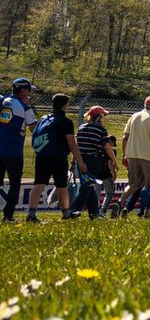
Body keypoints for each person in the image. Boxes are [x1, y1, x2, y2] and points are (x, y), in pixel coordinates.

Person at [26, 93, 87, 222]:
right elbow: (72, 144)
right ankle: (66, 213)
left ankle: (31, 214)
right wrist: (80, 161)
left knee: (38, 184)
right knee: (61, 186)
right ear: (65, 106)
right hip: (58, 157)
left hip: (42, 156)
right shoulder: (66, 122)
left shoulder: (44, 118)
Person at [119, 95, 150, 218]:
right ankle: (147, 212)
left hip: (132, 155)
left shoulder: (134, 116)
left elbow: (125, 137)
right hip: (148, 157)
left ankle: (120, 201)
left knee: (133, 184)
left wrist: (124, 155)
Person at [0, 78, 35, 223]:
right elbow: (34, 129)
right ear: (23, 90)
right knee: (15, 185)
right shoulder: (25, 108)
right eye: (28, 89)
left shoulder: (3, 101)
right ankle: (8, 216)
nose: (30, 93)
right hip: (13, 151)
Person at [72, 105, 116, 218]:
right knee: (86, 187)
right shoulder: (101, 129)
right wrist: (114, 160)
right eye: (103, 116)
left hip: (81, 160)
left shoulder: (81, 127)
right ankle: (73, 210)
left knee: (89, 185)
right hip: (93, 161)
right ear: (99, 117)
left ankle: (94, 213)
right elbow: (106, 146)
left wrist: (73, 161)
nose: (104, 118)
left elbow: (77, 146)